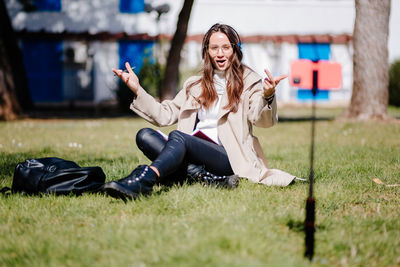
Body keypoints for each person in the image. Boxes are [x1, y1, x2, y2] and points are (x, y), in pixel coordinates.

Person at [104, 23, 299, 201]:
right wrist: (138, 90)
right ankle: (205, 178)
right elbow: (165, 114)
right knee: (145, 135)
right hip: (192, 149)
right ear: (207, 51)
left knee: (178, 137)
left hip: (228, 156)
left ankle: (147, 178)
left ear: (235, 50)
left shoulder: (250, 81)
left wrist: (268, 95)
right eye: (214, 48)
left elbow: (263, 121)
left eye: (226, 47)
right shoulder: (195, 84)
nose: (220, 53)